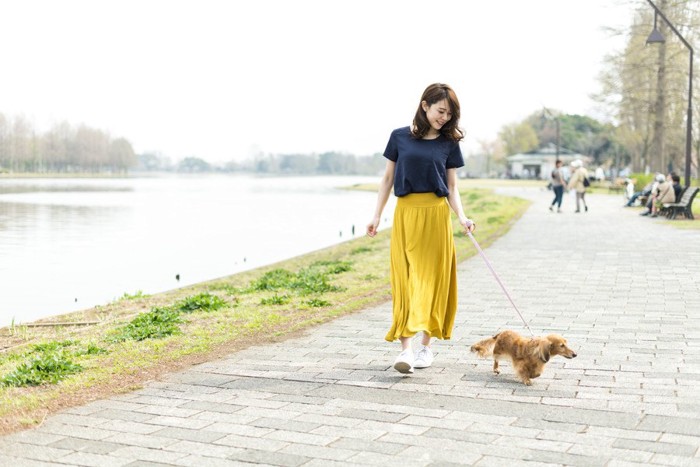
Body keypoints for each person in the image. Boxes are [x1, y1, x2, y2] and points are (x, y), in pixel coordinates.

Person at [366, 83, 476, 374]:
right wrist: (376, 215)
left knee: (433, 280)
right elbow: (387, 179)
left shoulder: (449, 142)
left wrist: (463, 217)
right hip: (406, 215)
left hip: (437, 216)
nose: (444, 117)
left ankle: (426, 347)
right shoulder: (399, 137)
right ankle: (406, 351)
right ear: (424, 105)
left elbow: (452, 186)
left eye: (449, 114)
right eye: (441, 111)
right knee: (407, 280)